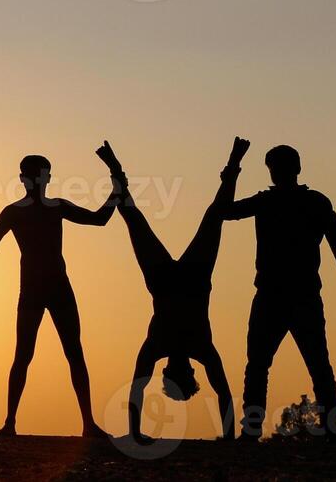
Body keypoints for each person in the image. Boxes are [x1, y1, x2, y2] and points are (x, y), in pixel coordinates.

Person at [96, 138, 245, 443]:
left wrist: (137, 434)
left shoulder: (161, 345)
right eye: (183, 374)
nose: (178, 369)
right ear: (188, 372)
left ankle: (116, 170)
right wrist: (228, 437)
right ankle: (232, 164)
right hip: (190, 279)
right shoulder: (198, 347)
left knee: (134, 217)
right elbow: (223, 391)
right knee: (211, 216)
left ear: (170, 372)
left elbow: (138, 387)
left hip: (168, 280)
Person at [218, 144, 336, 440]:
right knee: (279, 364)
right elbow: (226, 212)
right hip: (284, 295)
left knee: (289, 364)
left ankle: (322, 429)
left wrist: (233, 166)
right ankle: (322, 429)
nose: (277, 174)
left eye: (278, 168)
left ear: (293, 169)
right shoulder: (298, 202)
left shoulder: (300, 202)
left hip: (292, 296)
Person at [0, 153, 118, 438]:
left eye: (47, 174)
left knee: (73, 352)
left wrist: (116, 192)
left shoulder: (55, 207)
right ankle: (10, 422)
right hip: (33, 291)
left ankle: (88, 423)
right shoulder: (15, 212)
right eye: (42, 174)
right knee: (24, 355)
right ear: (28, 178)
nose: (45, 179)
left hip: (58, 287)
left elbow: (99, 220)